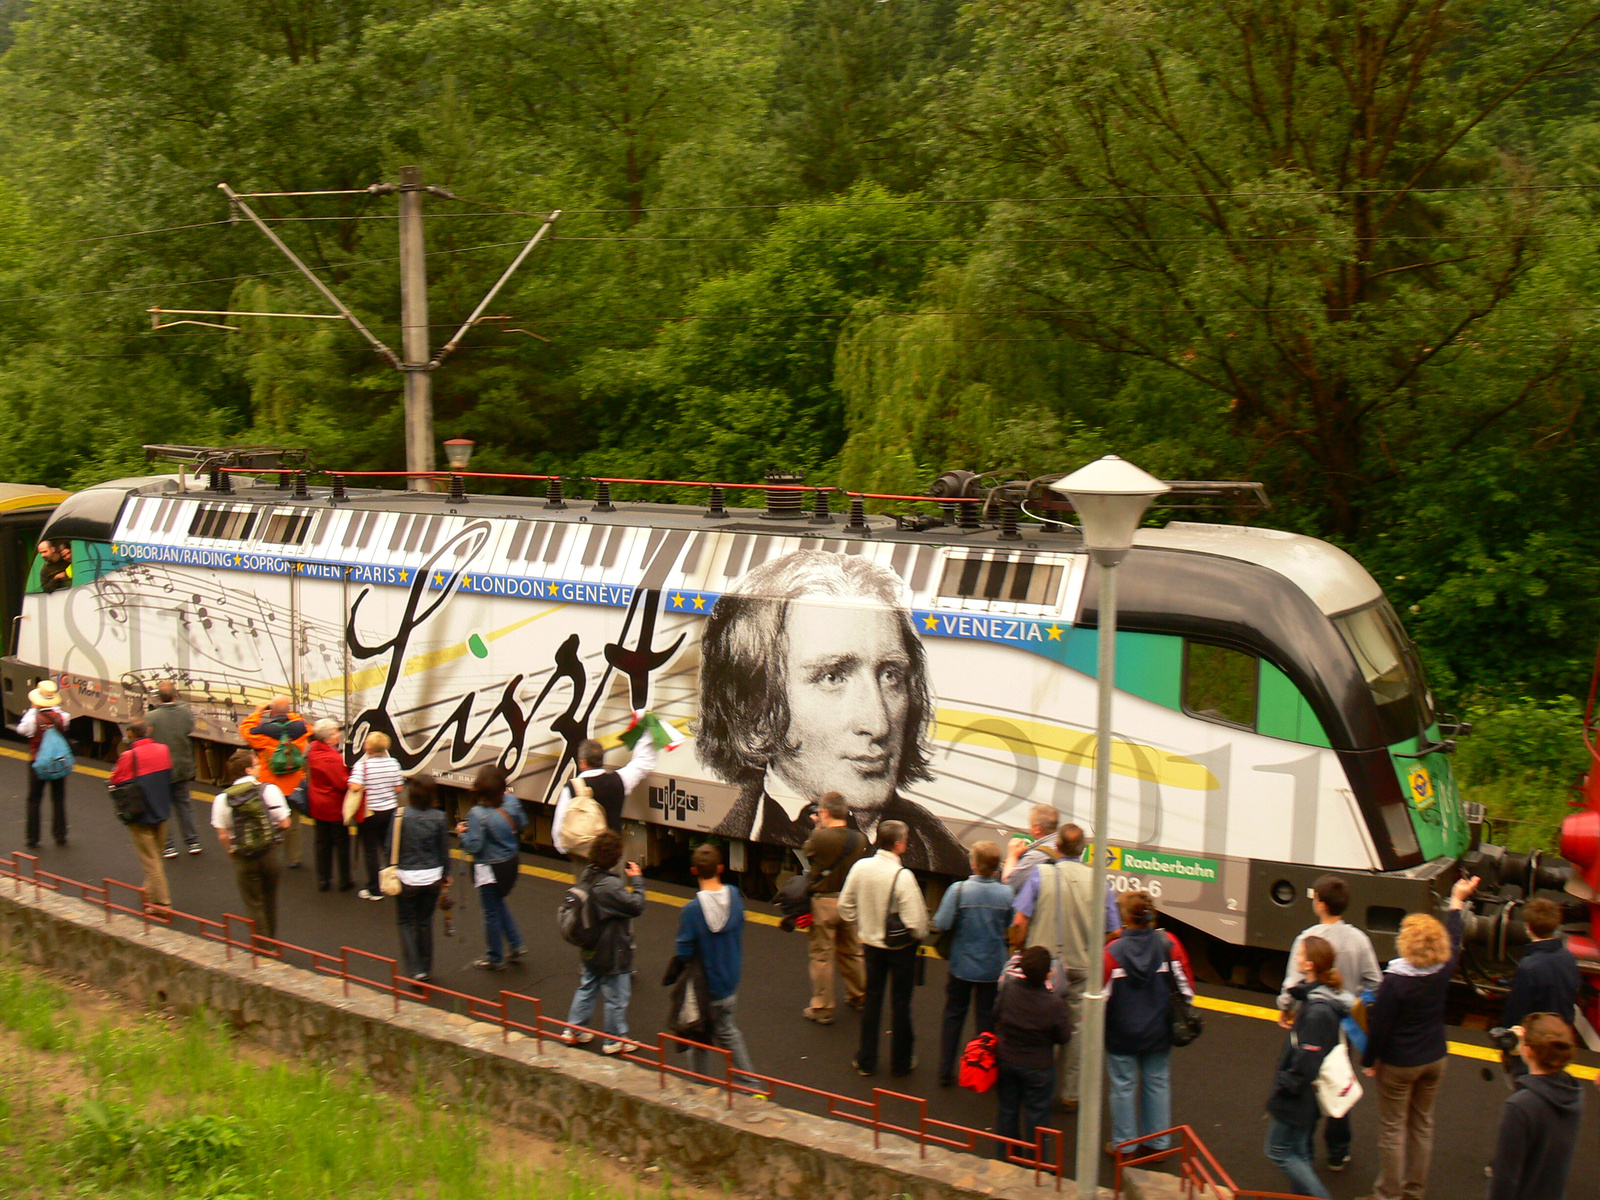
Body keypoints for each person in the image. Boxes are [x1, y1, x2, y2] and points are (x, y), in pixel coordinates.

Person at [698, 550, 968, 875]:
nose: (878, 723)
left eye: (890, 675)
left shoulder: (947, 855)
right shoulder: (731, 833)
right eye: (832, 677)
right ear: (754, 706)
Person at [1359, 874, 1479, 1200]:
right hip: (1435, 1058)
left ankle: (1387, 1195)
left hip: (1399, 1064)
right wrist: (1457, 899)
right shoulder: (1444, 967)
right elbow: (1455, 936)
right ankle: (1415, 1191)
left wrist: (1370, 1062)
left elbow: (1380, 1027)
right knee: (1422, 1125)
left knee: (1392, 1130)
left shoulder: (1395, 982)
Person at [1276, 874, 1382, 1171]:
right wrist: (1350, 1002)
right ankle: (1338, 1151)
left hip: (1309, 1023)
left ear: (1319, 904)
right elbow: (1376, 982)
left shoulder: (1307, 940)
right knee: (1338, 1082)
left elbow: (1291, 988)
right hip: (1342, 1030)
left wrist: (1285, 1009)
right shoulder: (1359, 939)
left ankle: (1303, 1150)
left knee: (1307, 1085)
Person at [1010, 824, 1117, 1107]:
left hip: (1043, 967)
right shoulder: (1099, 880)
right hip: (1081, 965)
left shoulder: (1041, 875)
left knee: (1038, 1021)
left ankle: (1036, 1086)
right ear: (1084, 850)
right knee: (1076, 1030)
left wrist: (1021, 949)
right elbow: (1114, 930)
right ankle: (1070, 1094)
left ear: (1057, 847)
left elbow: (1020, 921)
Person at [1104, 890, 1195, 1155]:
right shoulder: (1169, 944)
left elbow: (1100, 996)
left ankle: (1124, 1144)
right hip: (1159, 1031)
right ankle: (1158, 1142)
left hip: (1121, 1035)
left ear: (1124, 917)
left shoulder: (1112, 952)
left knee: (1123, 1086)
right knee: (1157, 1082)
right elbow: (1186, 990)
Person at [1264, 935, 1354, 1199]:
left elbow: (1306, 1060)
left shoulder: (1316, 1011)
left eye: (1301, 955)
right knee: (1300, 1150)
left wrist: (1284, 1085)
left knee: (1277, 1151)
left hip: (1298, 1094)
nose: (1297, 959)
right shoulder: (1319, 998)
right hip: (1310, 1094)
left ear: (1310, 964)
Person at [838, 819, 929, 1078]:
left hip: (870, 945)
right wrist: (917, 936)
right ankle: (901, 1063)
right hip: (900, 949)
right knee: (900, 1004)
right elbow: (917, 922)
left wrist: (863, 925)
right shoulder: (903, 876)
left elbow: (845, 907)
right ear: (899, 844)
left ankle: (866, 1060)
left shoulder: (860, 868)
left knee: (872, 1001)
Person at [673, 844, 758, 1086]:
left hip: (704, 989)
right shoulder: (733, 895)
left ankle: (700, 1087)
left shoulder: (692, 910)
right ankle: (751, 1086)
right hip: (730, 983)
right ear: (721, 868)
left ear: (693, 871)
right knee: (728, 1031)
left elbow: (684, 952)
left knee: (699, 1037)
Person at [931, 840, 1013, 1086]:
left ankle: (946, 1071)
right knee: (986, 1020)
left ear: (974, 864)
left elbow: (941, 923)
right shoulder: (1007, 893)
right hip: (993, 966)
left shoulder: (958, 890)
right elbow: (1009, 924)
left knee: (954, 1015)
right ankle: (983, 1070)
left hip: (961, 965)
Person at [561, 830, 646, 1054]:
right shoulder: (610, 886)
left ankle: (574, 1030)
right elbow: (635, 905)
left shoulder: (588, 874)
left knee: (588, 986)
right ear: (617, 858)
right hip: (612, 950)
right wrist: (637, 880)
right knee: (617, 995)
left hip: (590, 946)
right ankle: (614, 1039)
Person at [1486, 1013, 1583, 1200]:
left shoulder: (1519, 1106)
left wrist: (1514, 1053)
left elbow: (1504, 1177)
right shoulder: (1574, 1093)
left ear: (1528, 1051)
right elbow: (1536, 1086)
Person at [992, 945, 1072, 1160]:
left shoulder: (1009, 988)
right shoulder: (1054, 1003)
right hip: (1039, 1066)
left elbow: (996, 1015)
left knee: (1007, 1111)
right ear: (1048, 973)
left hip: (1007, 1059)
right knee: (1037, 1118)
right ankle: (1035, 1165)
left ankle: (1005, 1158)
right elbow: (1064, 1036)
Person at [801, 791, 868, 1024]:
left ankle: (822, 1007)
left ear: (825, 813)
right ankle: (860, 995)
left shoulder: (820, 837)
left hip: (824, 902)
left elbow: (809, 852)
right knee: (852, 951)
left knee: (822, 955)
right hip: (849, 903)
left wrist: (818, 827)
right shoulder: (860, 839)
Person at [551, 732, 657, 877]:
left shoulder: (571, 788)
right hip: (613, 856)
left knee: (586, 896)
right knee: (612, 894)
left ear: (582, 762)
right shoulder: (619, 780)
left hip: (583, 857)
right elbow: (643, 763)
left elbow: (558, 829)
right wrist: (646, 733)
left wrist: (565, 849)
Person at [211, 749, 291, 939]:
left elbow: (222, 834)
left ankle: (263, 947)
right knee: (270, 899)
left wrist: (231, 851)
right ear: (248, 770)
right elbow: (285, 823)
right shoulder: (269, 790)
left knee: (254, 903)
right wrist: (270, 835)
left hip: (243, 856)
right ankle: (272, 940)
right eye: (256, 764)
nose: (260, 767)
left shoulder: (222, 799)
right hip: (269, 852)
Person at [455, 765, 527, 970]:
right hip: (510, 863)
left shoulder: (478, 814)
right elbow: (522, 824)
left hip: (489, 868)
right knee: (499, 902)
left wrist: (462, 833)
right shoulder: (512, 802)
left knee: (490, 912)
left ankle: (495, 956)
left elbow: (474, 845)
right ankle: (516, 943)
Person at [1500, 897, 1580, 1077]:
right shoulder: (1567, 957)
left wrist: (1508, 1043)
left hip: (1536, 1047)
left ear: (1528, 926)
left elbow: (1516, 1011)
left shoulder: (1529, 967)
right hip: (1559, 1040)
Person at [108, 721, 175, 912]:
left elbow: (116, 779)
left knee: (150, 860)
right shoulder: (163, 749)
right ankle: (148, 889)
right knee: (157, 855)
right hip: (162, 811)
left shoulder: (129, 756)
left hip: (140, 813)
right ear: (148, 732)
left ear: (130, 734)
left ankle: (162, 904)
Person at [239, 695, 309, 868]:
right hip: (294, 783)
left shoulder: (263, 731)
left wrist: (258, 711)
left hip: (270, 785)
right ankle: (294, 858)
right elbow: (300, 721)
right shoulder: (301, 728)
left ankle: (269, 855)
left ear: (272, 711)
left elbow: (245, 730)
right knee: (293, 823)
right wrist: (286, 712)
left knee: (269, 821)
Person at [394, 776, 450, 982]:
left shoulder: (400, 816)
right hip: (432, 877)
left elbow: (391, 848)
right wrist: (446, 875)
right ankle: (426, 967)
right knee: (425, 922)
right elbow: (444, 850)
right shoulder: (440, 817)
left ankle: (415, 968)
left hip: (406, 877)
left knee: (405, 921)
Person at [146, 682, 202, 857]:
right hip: (182, 766)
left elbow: (145, 737)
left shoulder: (151, 717)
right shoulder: (185, 713)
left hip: (160, 769)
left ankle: (168, 845)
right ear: (175, 696)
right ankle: (193, 842)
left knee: (162, 807)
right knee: (184, 804)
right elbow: (189, 728)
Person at [351, 732, 405, 900]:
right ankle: (392, 881)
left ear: (368, 748)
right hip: (390, 811)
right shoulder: (393, 763)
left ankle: (375, 889)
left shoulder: (363, 766)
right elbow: (399, 788)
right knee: (388, 848)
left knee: (370, 850)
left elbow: (354, 786)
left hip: (370, 813)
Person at [19, 679, 69, 848]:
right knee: (58, 798)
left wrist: (33, 711)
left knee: (34, 799)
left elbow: (22, 730)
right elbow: (64, 723)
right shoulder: (62, 717)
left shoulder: (33, 719)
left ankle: (33, 838)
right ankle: (60, 835)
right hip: (58, 762)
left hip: (37, 762)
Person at [305, 719, 354, 892]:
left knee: (321, 843)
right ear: (327, 739)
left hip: (317, 803)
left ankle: (323, 879)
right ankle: (344, 879)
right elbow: (342, 783)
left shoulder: (313, 751)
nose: (338, 734)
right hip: (333, 805)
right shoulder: (332, 758)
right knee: (341, 843)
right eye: (335, 732)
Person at [1002, 804, 1061, 896]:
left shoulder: (1035, 856)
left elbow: (1008, 886)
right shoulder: (1064, 847)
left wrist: (1012, 856)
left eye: (1030, 824)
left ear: (1037, 829)